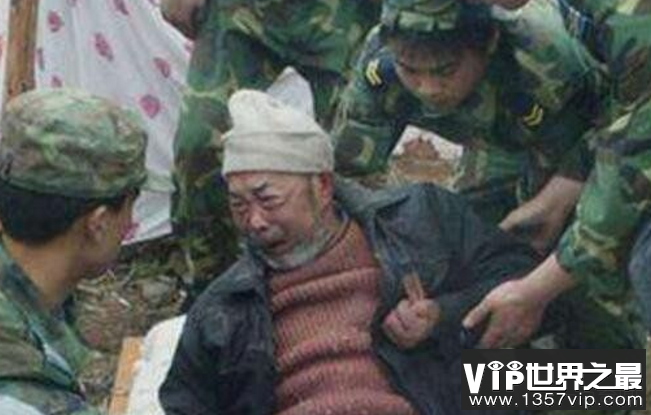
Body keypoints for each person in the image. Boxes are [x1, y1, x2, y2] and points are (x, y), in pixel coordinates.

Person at [158, 89, 543, 415]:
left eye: (268, 199)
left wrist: (443, 315)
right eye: (238, 205)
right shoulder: (223, 309)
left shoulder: (421, 220)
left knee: (568, 379)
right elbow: (185, 404)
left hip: (440, 398)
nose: (255, 221)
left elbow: (530, 287)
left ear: (323, 186)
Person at [461, 0, 651, 345]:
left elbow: (635, 166)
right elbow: (628, 112)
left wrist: (536, 290)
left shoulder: (629, 19)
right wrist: (564, 188)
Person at [333, 0, 600, 236]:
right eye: (410, 70)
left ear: (489, 43)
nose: (428, 89)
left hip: (558, 129)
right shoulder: (380, 63)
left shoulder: (543, 67)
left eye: (445, 71)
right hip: (495, 124)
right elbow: (351, 172)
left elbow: (600, 140)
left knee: (526, 230)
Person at [160, 0, 381, 283]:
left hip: (348, 12)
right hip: (241, 10)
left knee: (354, 157)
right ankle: (213, 284)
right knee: (200, 145)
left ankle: (348, 277)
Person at [0, 88, 156, 414]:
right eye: (131, 205)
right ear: (98, 223)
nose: (130, 222)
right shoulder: (28, 397)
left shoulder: (31, 297)